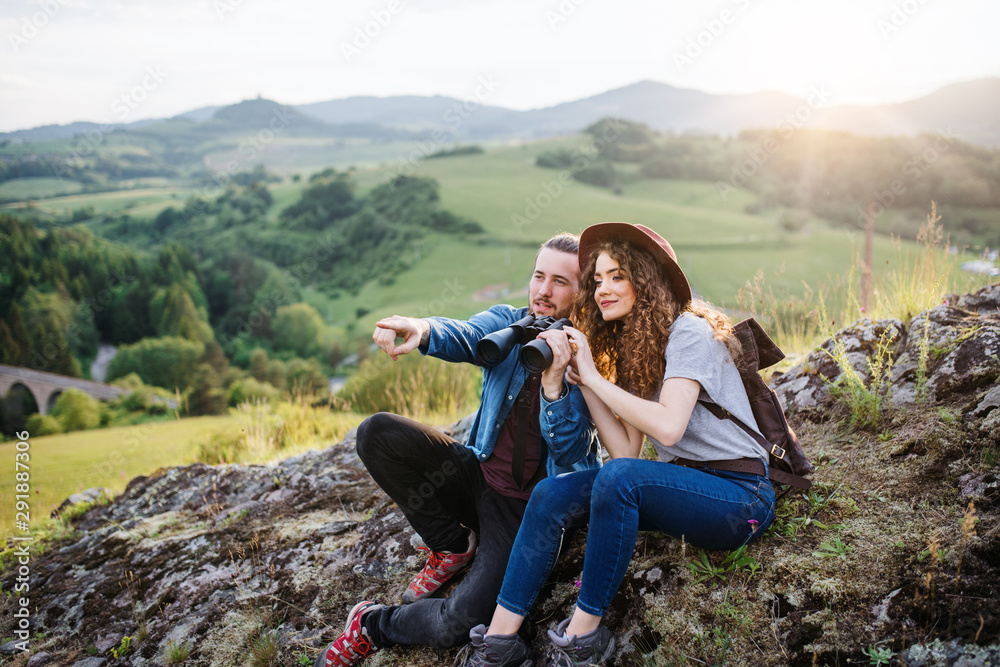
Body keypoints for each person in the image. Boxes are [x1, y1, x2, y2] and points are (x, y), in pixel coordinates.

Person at [455, 222, 777, 667]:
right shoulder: (640, 346)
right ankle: (499, 642)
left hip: (741, 499)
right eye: (597, 279)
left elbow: (668, 429)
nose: (603, 288)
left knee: (620, 479)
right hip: (683, 487)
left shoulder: (689, 330)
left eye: (616, 276)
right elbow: (625, 452)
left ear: (646, 278)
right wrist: (582, 379)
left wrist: (592, 377)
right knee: (552, 492)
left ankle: (582, 637)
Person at [316, 233, 602, 667]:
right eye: (539, 275)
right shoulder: (511, 322)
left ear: (584, 292)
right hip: (478, 474)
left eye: (560, 282)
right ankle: (453, 545)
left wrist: (555, 383)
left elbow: (571, 447)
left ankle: (372, 624)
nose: (543, 290)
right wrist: (422, 328)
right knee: (377, 432)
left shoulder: (596, 360)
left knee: (461, 622)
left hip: (529, 510)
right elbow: (467, 334)